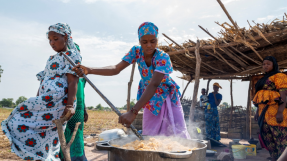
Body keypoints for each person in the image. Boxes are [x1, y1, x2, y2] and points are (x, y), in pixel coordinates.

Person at [72, 22, 190, 139]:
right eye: (144, 42)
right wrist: (89, 70)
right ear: (139, 41)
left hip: (166, 95)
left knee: (176, 132)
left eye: (152, 41)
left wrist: (133, 111)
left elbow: (154, 84)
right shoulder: (136, 52)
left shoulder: (163, 57)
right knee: (150, 134)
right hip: (149, 98)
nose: (149, 45)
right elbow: (116, 69)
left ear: (157, 40)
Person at [1, 23, 81, 161]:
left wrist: (69, 105)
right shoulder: (51, 59)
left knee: (16, 121)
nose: (52, 43)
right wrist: (37, 101)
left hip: (59, 101)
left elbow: (73, 81)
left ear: (66, 37)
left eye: (55, 39)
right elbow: (43, 81)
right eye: (50, 40)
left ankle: (42, 157)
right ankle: (45, 157)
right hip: (46, 100)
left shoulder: (71, 55)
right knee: (46, 135)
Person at [253, 56, 287, 161]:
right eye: (264, 64)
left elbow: (284, 95)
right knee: (268, 138)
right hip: (264, 115)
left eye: (268, 64)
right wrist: (257, 112)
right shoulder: (263, 78)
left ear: (274, 65)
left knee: (280, 138)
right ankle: (274, 157)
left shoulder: (279, 76)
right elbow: (260, 99)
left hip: (276, 113)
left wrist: (280, 111)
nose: (265, 66)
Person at [59, 78, 88, 160]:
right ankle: (64, 157)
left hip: (79, 110)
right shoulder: (64, 72)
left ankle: (78, 157)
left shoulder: (82, 78)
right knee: (64, 134)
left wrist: (84, 110)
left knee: (77, 134)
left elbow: (82, 95)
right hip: (65, 108)